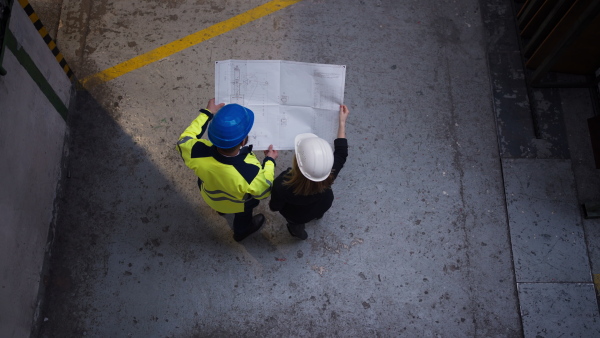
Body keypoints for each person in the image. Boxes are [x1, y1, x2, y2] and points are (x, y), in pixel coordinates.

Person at [177, 99, 278, 242]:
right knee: (243, 216)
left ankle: (221, 210)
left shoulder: (196, 151)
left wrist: (207, 113)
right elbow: (265, 188)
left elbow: (184, 140)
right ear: (243, 142)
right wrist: (269, 161)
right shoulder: (249, 173)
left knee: (221, 203)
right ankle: (241, 232)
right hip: (238, 204)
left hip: (210, 197)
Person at [269, 105, 350, 240]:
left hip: (296, 216)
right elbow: (342, 153)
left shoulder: (282, 183)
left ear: (297, 162)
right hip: (323, 204)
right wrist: (342, 123)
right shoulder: (328, 173)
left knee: (296, 225)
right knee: (317, 212)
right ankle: (318, 216)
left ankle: (298, 233)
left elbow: (275, 205)